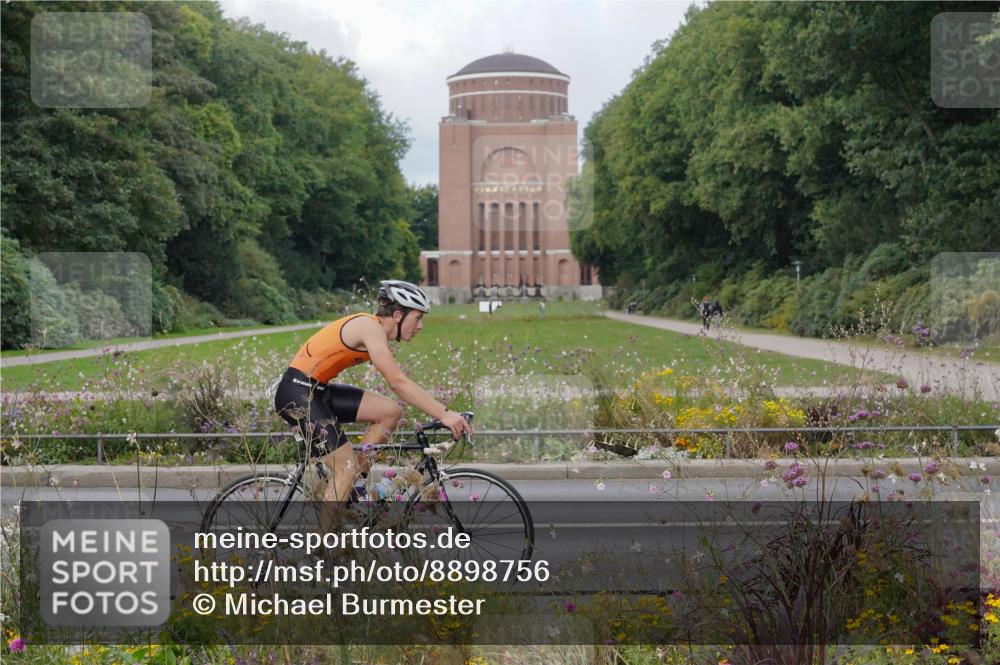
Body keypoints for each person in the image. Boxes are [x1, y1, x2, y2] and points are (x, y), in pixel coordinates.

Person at [273, 280, 474, 503]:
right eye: (417, 318)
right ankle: (324, 537)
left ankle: (354, 488)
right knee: (345, 468)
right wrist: (444, 413)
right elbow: (397, 382)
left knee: (389, 411)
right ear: (398, 315)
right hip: (297, 394)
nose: (420, 326)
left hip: (317, 391)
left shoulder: (373, 330)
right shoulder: (369, 327)